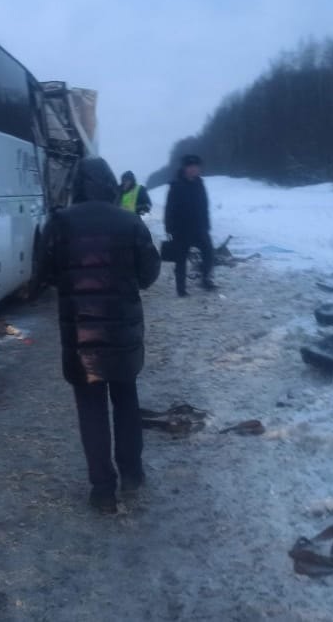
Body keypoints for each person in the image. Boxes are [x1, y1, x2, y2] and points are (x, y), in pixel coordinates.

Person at [41, 157, 160, 514]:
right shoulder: (130, 222)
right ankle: (133, 473)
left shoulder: (59, 223)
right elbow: (150, 272)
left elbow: (45, 273)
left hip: (81, 337)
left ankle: (103, 490)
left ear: (77, 185)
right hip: (122, 334)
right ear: (110, 185)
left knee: (90, 410)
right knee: (126, 401)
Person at [164, 153, 215, 296]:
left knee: (209, 253)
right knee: (180, 259)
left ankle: (205, 280)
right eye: (190, 167)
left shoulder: (200, 184)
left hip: (199, 228)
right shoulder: (176, 185)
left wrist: (206, 225)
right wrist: (169, 228)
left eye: (195, 167)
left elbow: (204, 206)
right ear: (185, 168)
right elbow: (169, 208)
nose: (193, 169)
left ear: (199, 168)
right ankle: (181, 289)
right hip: (181, 229)